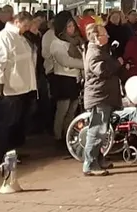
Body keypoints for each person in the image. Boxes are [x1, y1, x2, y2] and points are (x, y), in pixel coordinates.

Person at [0, 11, 38, 163]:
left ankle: (12, 152)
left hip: (23, 86)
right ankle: (3, 153)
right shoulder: (3, 37)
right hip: (10, 88)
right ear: (17, 22)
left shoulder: (21, 37)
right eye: (25, 25)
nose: (27, 28)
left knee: (17, 123)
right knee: (7, 122)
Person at [81, 22, 125, 176]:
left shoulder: (101, 50)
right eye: (104, 34)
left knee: (102, 130)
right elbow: (102, 71)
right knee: (97, 130)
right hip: (99, 96)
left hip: (104, 94)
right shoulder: (94, 53)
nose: (107, 36)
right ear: (96, 37)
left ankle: (99, 159)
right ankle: (90, 164)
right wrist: (117, 63)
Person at [50, 12, 85, 148]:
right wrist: (85, 64)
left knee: (72, 109)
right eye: (69, 26)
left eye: (73, 26)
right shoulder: (56, 43)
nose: (72, 29)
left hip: (75, 78)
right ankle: (58, 135)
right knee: (62, 110)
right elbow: (66, 61)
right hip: (63, 79)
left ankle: (68, 134)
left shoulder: (76, 41)